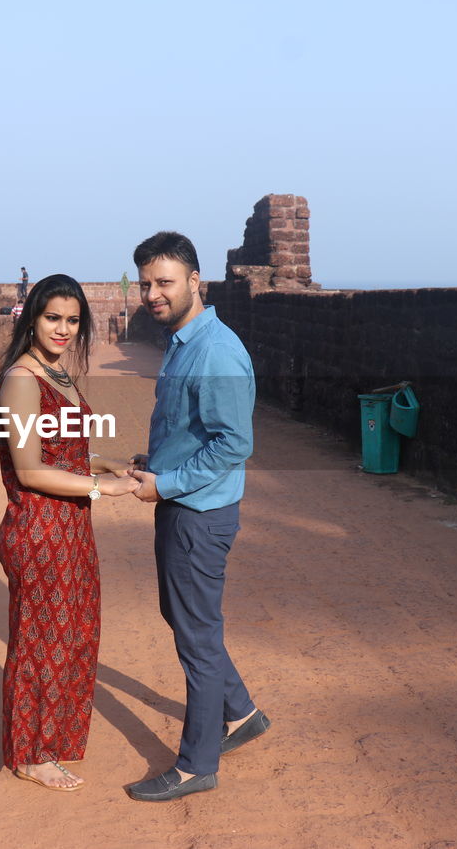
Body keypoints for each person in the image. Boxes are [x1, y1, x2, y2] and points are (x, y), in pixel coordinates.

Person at [124, 231, 270, 802]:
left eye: (164, 282)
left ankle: (196, 765)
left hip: (197, 513)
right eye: (145, 284)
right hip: (184, 502)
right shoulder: (185, 340)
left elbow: (235, 442)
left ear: (194, 282)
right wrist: (156, 463)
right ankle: (243, 713)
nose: (153, 294)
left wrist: (169, 483)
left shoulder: (216, 349)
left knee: (197, 638)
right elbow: (194, 430)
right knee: (183, 617)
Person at [0, 274, 140, 791]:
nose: (63, 329)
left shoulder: (58, 374)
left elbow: (65, 452)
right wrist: (106, 488)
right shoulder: (22, 381)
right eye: (53, 317)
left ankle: (51, 740)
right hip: (39, 527)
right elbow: (30, 470)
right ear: (31, 317)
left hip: (70, 524)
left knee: (73, 636)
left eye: (72, 321)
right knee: (40, 640)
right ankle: (30, 753)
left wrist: (121, 467)